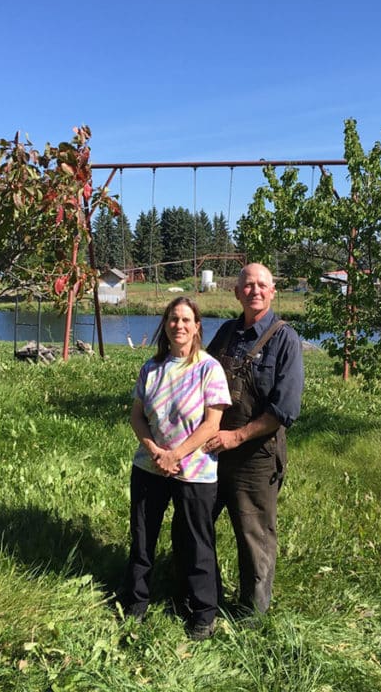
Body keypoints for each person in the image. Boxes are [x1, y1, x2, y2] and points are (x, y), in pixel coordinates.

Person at [118, 296, 231, 640]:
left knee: (196, 542)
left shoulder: (208, 368)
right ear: (164, 325)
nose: (178, 326)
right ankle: (135, 604)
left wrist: (176, 454)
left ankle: (202, 612)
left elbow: (212, 424)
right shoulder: (151, 369)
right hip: (149, 468)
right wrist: (153, 449)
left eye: (185, 320)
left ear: (197, 327)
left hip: (195, 472)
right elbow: (137, 415)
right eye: (172, 319)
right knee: (142, 538)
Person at [204, 263, 303, 615]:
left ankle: (252, 617)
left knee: (254, 538)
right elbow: (200, 379)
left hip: (256, 457)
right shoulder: (226, 333)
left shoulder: (285, 339)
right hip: (213, 452)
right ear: (236, 292)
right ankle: (203, 598)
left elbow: (285, 409)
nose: (255, 290)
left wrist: (238, 436)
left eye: (262, 285)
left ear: (273, 291)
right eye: (248, 285)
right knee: (196, 524)